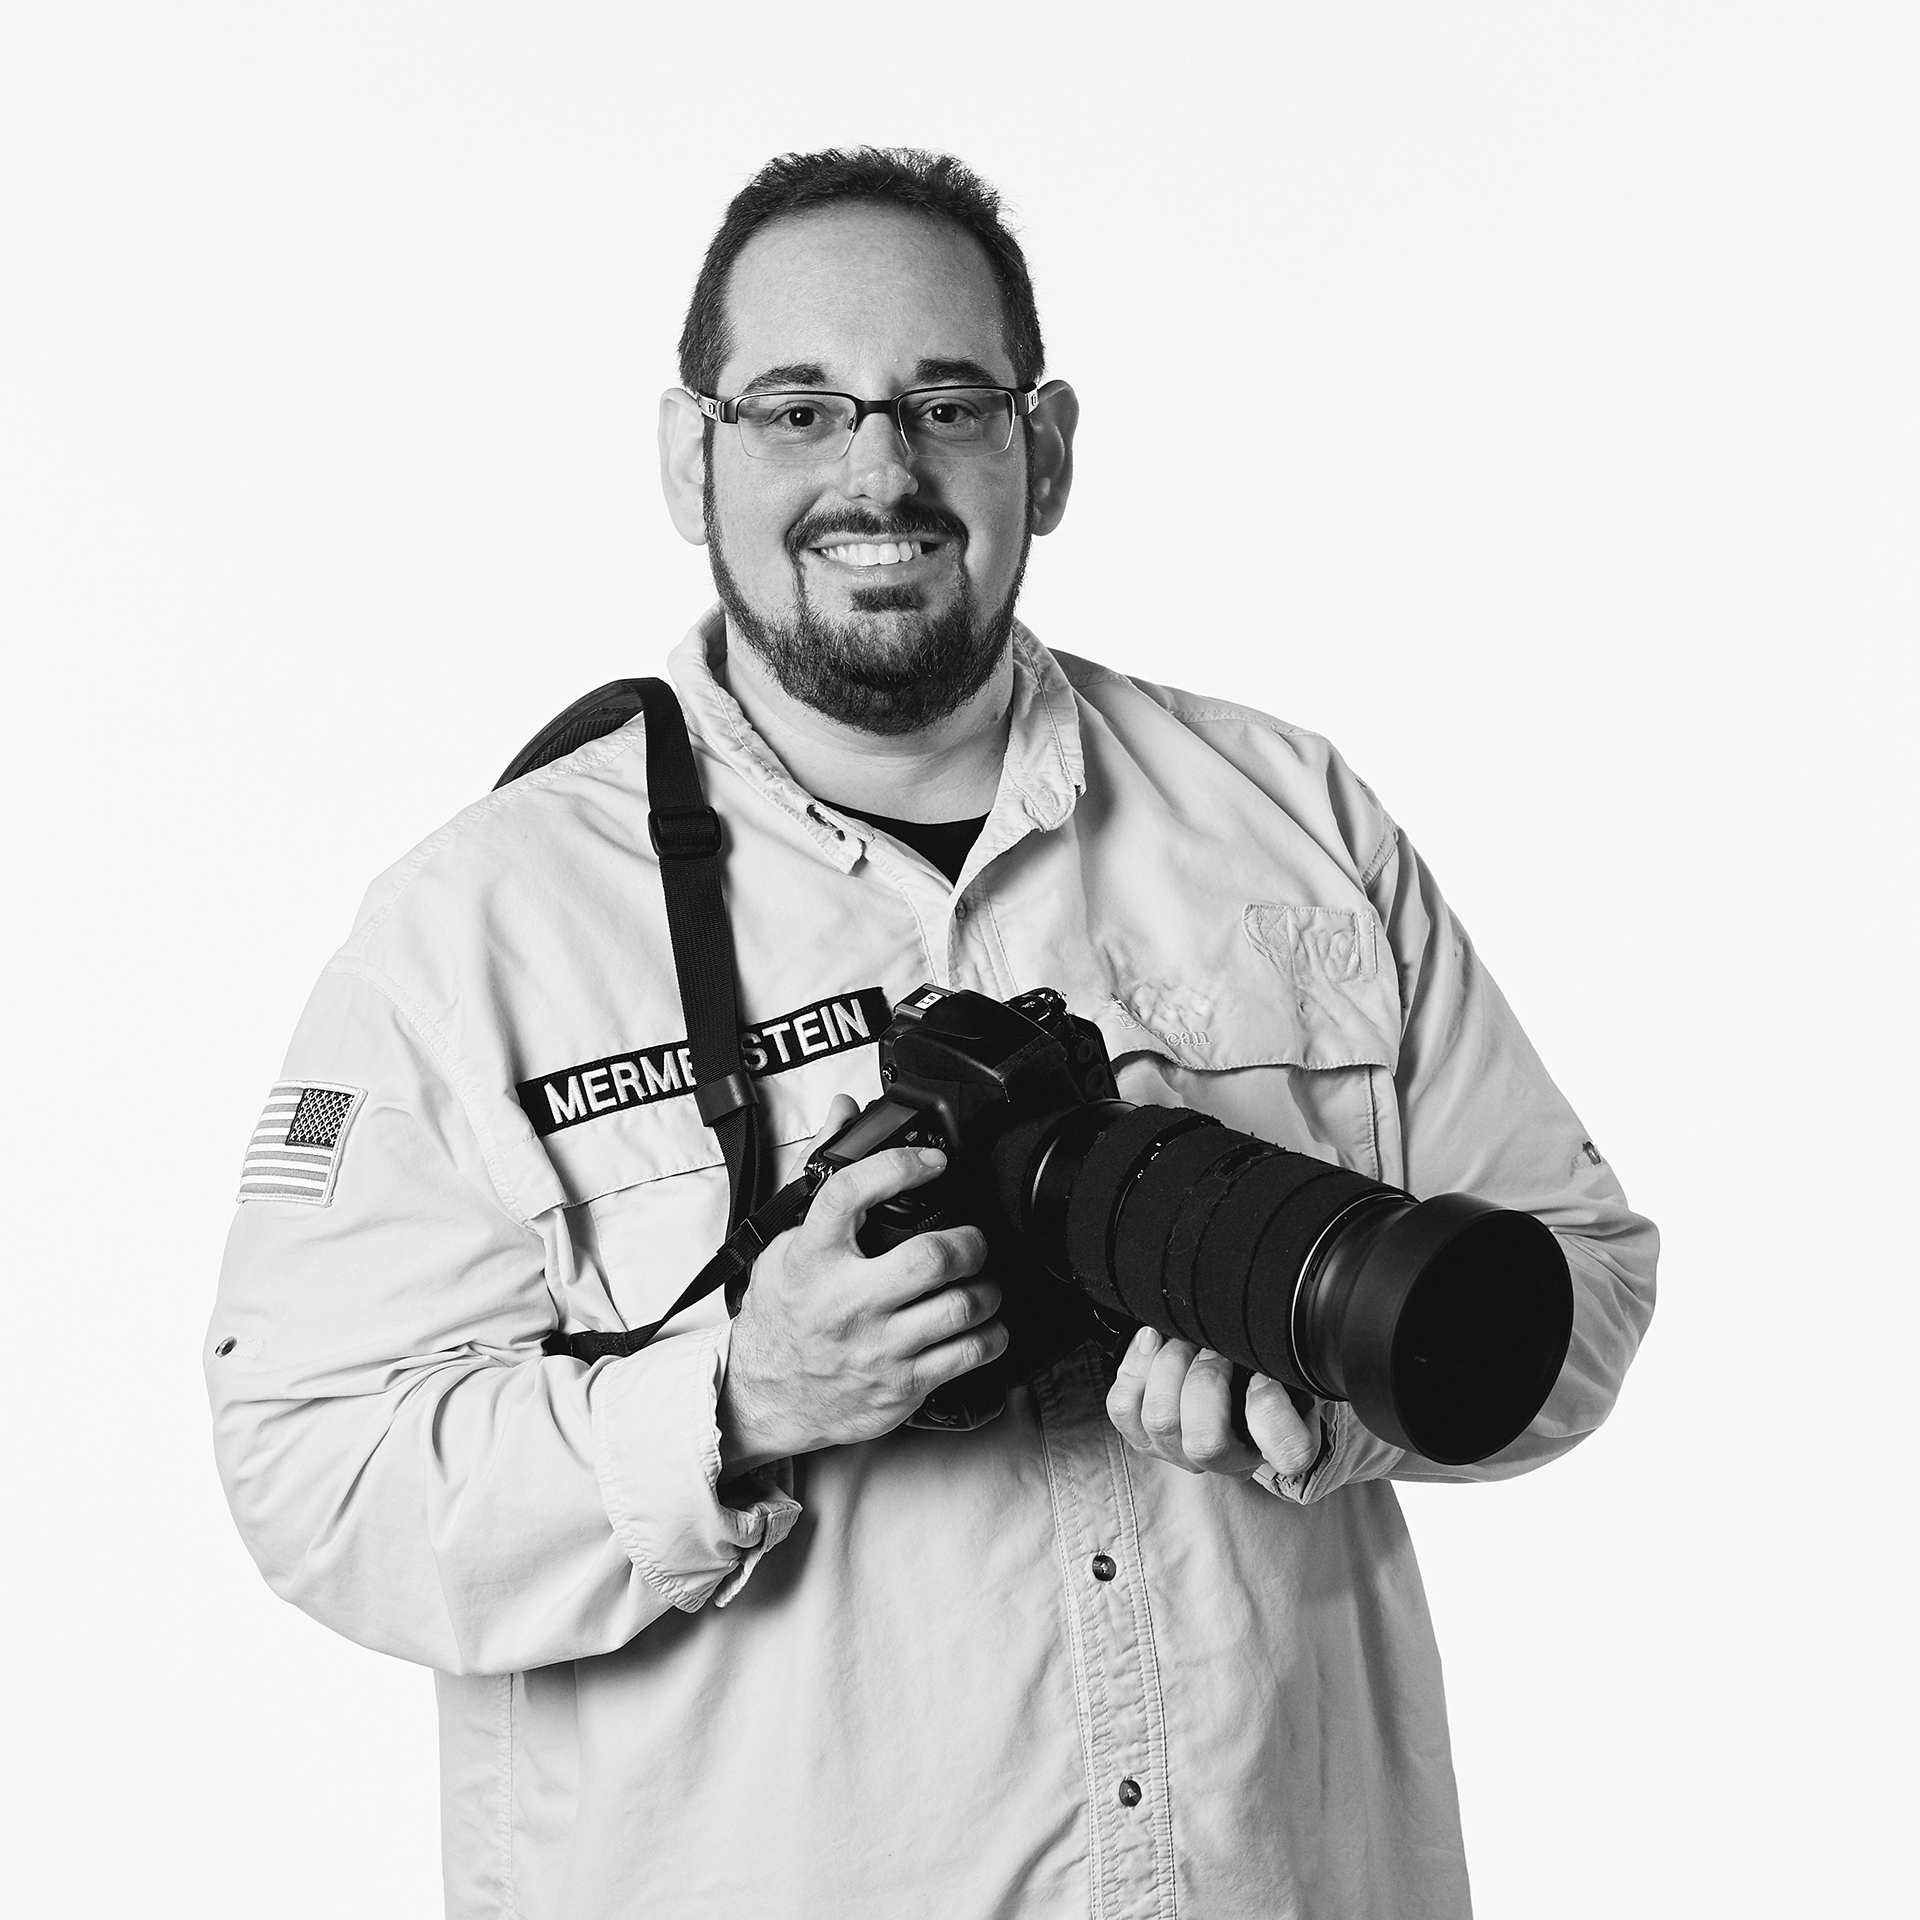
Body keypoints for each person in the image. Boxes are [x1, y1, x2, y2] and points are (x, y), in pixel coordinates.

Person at [207, 147, 1657, 1920]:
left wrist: (1334, 1403)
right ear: (694, 455)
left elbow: (1572, 1279)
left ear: (1042, 448)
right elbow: (308, 1472)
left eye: (944, 403)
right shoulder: (483, 925)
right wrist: (739, 1399)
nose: (877, 469)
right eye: (800, 408)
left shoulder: (1291, 822)